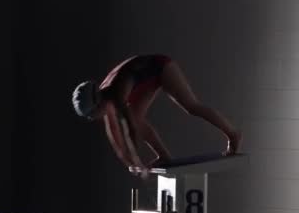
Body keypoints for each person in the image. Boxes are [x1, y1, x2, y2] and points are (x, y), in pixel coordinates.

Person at [72, 54, 242, 175]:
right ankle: (164, 156)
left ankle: (233, 134)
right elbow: (114, 134)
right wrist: (128, 160)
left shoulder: (115, 94)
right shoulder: (105, 96)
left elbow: (128, 130)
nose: (95, 119)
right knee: (136, 118)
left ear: (96, 107)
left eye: (93, 116)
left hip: (161, 66)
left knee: (191, 106)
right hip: (145, 78)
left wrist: (135, 160)